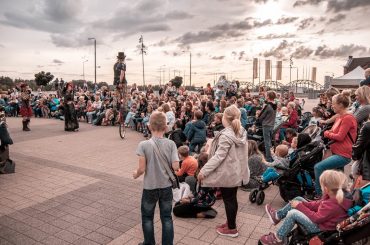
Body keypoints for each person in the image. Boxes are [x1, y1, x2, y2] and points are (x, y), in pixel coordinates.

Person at [260, 170, 352, 245]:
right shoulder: (333, 195)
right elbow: (317, 205)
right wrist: (302, 204)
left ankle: (278, 238)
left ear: (327, 188)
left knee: (293, 214)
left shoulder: (334, 204)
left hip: (321, 229)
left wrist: (300, 206)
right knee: (299, 199)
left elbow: (317, 218)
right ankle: (277, 216)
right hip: (321, 223)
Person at [198, 105, 249, 237]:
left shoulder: (226, 135)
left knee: (229, 200)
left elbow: (218, 157)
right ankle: (230, 222)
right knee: (232, 199)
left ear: (225, 118)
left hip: (228, 172)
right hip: (236, 171)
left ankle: (232, 228)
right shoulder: (242, 131)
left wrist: (204, 170)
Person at [133, 111, 180, 245]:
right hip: (166, 187)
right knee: (166, 218)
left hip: (150, 187)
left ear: (149, 126)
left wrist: (135, 174)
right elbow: (176, 167)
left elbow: (141, 169)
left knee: (147, 218)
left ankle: (149, 243)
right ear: (166, 127)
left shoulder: (143, 145)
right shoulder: (171, 144)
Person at [314, 93, 357, 197]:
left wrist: (326, 133)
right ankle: (338, 198)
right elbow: (334, 131)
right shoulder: (339, 117)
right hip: (337, 152)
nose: (331, 106)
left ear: (341, 105)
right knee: (339, 181)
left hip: (343, 154)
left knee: (318, 167)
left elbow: (339, 136)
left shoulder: (347, 118)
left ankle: (320, 195)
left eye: (333, 104)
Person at [173, 152, 217, 219]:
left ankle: (202, 214)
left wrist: (189, 200)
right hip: (202, 200)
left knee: (176, 210)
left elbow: (201, 197)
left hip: (203, 202)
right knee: (178, 204)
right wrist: (190, 197)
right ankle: (207, 209)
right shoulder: (201, 173)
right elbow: (198, 192)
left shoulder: (205, 177)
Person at [256, 91, 277, 162]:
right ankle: (271, 156)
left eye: (266, 95)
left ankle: (268, 158)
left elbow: (261, 116)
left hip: (266, 125)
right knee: (270, 142)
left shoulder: (268, 106)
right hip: (272, 124)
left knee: (267, 142)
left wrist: (258, 116)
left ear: (268, 96)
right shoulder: (275, 104)